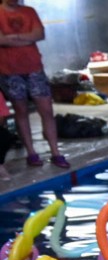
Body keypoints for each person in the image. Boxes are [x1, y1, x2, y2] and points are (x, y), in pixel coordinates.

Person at [0, 0, 64, 167]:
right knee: (21, 111)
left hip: (34, 67)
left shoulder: (29, 11)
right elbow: (1, 40)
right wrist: (25, 38)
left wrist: (13, 38)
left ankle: (55, 152)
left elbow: (39, 34)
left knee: (46, 110)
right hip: (9, 70)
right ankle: (31, 152)